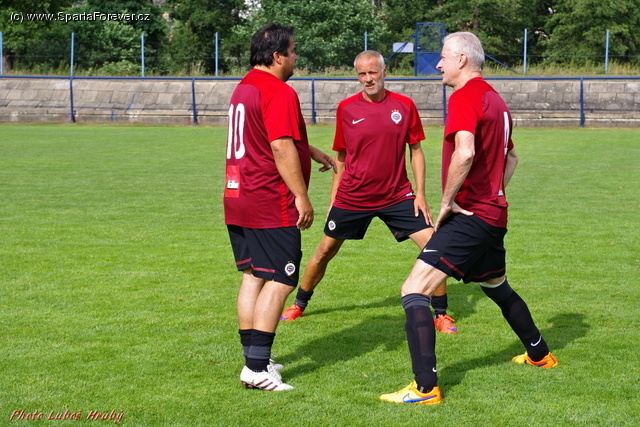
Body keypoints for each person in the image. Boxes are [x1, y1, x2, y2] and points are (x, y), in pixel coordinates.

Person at [379, 32, 557, 405]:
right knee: (496, 286)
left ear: (461, 59)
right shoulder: (496, 100)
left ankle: (425, 389)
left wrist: (447, 202)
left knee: (414, 289)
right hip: (493, 215)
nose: (438, 64)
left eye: (443, 57)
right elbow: (511, 158)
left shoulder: (464, 97)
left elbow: (465, 152)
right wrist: (494, 193)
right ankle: (540, 354)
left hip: (469, 216)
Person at [280, 50, 455, 334]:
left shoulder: (405, 106)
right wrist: (334, 198)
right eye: (362, 74)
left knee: (434, 247)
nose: (368, 79)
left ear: (385, 72)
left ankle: (441, 314)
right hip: (353, 196)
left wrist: (421, 194)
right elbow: (341, 158)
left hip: (397, 195)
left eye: (373, 72)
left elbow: (416, 151)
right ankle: (299, 304)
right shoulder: (347, 108)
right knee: (324, 251)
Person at [224, 23, 334, 392]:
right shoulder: (278, 90)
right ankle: (256, 369)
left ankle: (254, 358)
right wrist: (301, 195)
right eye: (293, 51)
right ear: (277, 56)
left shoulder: (244, 87)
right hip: (269, 199)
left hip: (238, 195)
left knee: (253, 276)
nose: (296, 57)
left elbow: (265, 134)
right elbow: (279, 145)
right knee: (282, 278)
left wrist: (311, 151)